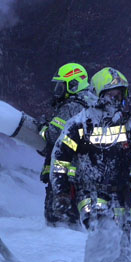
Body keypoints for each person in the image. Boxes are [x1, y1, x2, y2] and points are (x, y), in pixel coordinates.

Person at [51, 67, 131, 262]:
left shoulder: (129, 124)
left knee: (123, 246)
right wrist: (62, 191)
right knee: (102, 230)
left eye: (120, 95)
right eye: (112, 94)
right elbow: (60, 158)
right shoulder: (80, 123)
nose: (116, 100)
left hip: (121, 195)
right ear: (99, 95)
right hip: (90, 193)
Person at [39, 62, 96, 227]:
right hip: (89, 175)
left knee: (59, 221)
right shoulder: (94, 103)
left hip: (66, 174)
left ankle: (61, 249)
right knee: (81, 220)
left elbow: (53, 135)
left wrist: (42, 128)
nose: (58, 90)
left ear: (73, 84)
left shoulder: (70, 106)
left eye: (61, 85)